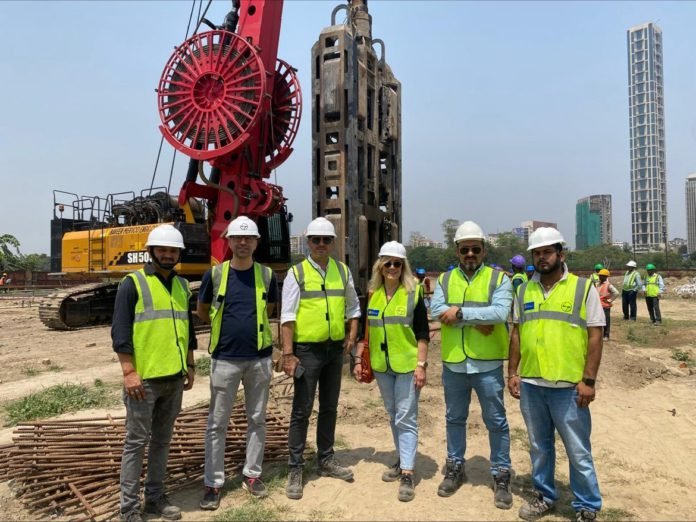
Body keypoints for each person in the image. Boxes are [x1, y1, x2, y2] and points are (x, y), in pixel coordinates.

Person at [507, 227, 604, 522]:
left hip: (568, 387)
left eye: (547, 252)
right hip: (533, 384)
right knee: (539, 447)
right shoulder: (524, 290)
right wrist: (513, 372)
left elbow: (595, 335)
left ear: (560, 254)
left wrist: (588, 381)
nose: (541, 257)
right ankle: (545, 496)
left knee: (578, 450)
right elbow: (517, 333)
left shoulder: (582, 288)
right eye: (537, 253)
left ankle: (587, 504)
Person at [111, 224, 197, 522]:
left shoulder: (182, 285)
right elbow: (120, 332)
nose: (168, 254)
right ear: (151, 251)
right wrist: (129, 371)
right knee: (136, 443)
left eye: (173, 250)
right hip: (143, 381)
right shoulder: (132, 284)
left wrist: (190, 363)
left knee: (162, 441)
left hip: (173, 377)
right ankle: (129, 508)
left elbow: (187, 329)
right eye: (162, 249)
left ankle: (156, 497)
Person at [430, 221, 513, 509]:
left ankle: (501, 474)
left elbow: (501, 312)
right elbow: (436, 310)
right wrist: (480, 321)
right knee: (454, 418)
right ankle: (454, 466)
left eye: (475, 249)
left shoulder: (498, 280)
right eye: (464, 249)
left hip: (487, 364)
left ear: (483, 250)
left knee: (496, 421)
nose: (469, 254)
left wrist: (462, 313)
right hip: (454, 363)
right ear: (456, 251)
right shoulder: (444, 280)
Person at [197, 216, 278, 510]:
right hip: (225, 359)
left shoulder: (267, 276)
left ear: (256, 242)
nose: (243, 243)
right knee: (217, 423)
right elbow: (203, 311)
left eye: (248, 238)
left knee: (257, 419)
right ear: (229, 241)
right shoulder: (215, 275)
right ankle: (213, 482)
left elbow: (269, 310)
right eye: (237, 238)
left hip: (259, 359)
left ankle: (252, 475)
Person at [281, 217, 361, 500]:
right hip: (307, 352)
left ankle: (325, 459)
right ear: (308, 242)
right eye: (316, 240)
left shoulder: (342, 271)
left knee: (329, 407)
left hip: (333, 350)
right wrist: (288, 354)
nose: (321, 245)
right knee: (301, 410)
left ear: (333, 243)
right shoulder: (297, 273)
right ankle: (295, 467)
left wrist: (351, 337)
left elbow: (354, 307)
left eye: (327, 240)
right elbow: (287, 317)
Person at [353, 241, 429, 502]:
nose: (393, 268)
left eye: (398, 264)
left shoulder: (414, 293)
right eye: (388, 263)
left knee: (406, 417)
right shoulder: (373, 293)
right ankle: (402, 459)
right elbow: (367, 330)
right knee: (393, 413)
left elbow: (422, 333)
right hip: (382, 366)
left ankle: (407, 472)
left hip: (407, 365)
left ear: (403, 266)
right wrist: (358, 359)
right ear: (380, 266)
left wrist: (421, 365)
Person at [597, 269, 619, 340]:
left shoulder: (608, 285)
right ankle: (600, 334)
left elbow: (616, 293)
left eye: (601, 276)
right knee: (598, 320)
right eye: (599, 275)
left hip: (605, 306)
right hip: (598, 306)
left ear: (605, 277)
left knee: (606, 320)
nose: (599, 277)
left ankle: (606, 335)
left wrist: (610, 300)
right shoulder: (598, 284)